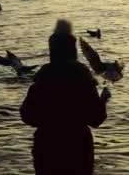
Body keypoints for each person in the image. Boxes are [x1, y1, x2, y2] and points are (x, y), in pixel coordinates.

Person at [20, 19, 110, 175]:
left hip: (47, 149)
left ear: (52, 51)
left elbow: (28, 116)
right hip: (78, 149)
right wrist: (103, 100)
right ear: (73, 50)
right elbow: (96, 118)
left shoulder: (43, 78)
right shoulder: (83, 78)